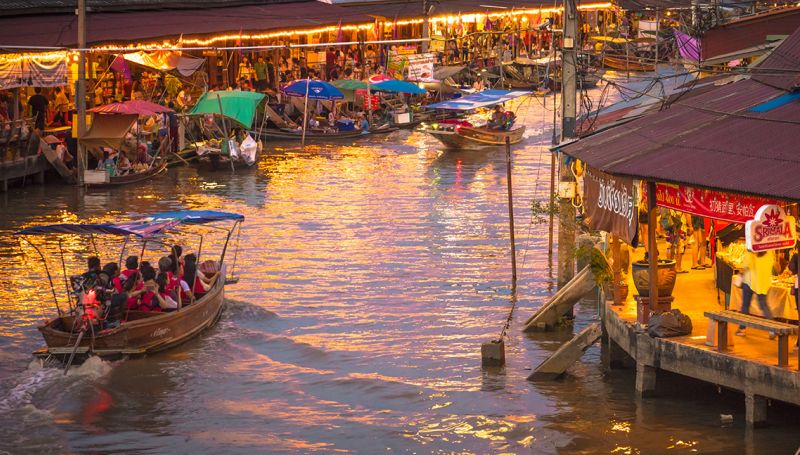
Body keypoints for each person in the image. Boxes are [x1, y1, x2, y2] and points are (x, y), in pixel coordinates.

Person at [736, 249, 779, 337]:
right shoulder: (769, 251)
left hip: (749, 280)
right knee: (764, 305)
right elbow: (772, 265)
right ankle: (772, 329)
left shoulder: (751, 249)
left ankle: (742, 329)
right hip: (762, 281)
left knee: (745, 305)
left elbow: (747, 264)